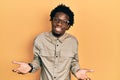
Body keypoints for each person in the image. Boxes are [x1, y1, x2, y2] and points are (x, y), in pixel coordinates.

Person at [12, 4, 94, 80]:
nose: (59, 24)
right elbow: (38, 61)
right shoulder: (40, 39)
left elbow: (73, 62)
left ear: (68, 26)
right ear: (51, 20)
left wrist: (77, 71)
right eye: (56, 20)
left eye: (64, 21)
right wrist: (30, 67)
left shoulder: (73, 42)